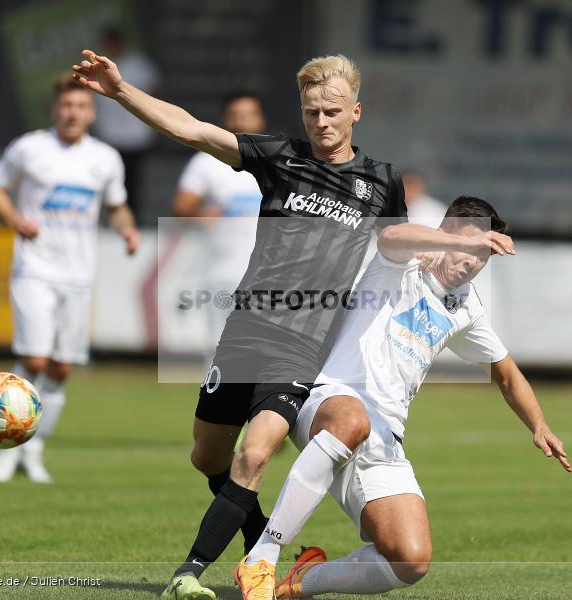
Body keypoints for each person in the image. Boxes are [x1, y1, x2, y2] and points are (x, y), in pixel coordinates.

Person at [72, 52, 407, 600]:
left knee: (255, 455)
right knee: (208, 456)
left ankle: (189, 575)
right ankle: (261, 553)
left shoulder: (383, 184)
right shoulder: (280, 156)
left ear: (356, 112)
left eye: (332, 111)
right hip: (246, 333)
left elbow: (397, 254)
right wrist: (119, 91)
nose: (321, 122)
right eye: (311, 112)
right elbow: (192, 129)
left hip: (303, 345)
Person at [237, 197, 572, 599]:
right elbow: (392, 235)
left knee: (410, 561)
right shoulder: (403, 263)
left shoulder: (465, 308)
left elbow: (507, 374)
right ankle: (262, 557)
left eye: (483, 256)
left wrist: (539, 425)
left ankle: (300, 584)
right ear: (444, 234)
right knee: (351, 420)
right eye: (467, 248)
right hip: (330, 401)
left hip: (384, 440)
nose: (471, 262)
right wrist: (452, 242)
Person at [0, 74, 141, 483]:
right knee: (34, 359)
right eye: (67, 105)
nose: (74, 113)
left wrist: (126, 228)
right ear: (56, 109)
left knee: (60, 369)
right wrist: (16, 220)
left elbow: (117, 205)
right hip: (34, 268)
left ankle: (32, 449)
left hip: (78, 274)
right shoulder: (30, 148)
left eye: (82, 106)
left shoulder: (105, 158)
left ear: (92, 112)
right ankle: (8, 446)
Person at [172, 92, 266, 349]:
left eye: (249, 115)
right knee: (220, 347)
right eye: (236, 115)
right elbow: (181, 207)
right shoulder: (207, 162)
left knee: (261, 349)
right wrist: (200, 215)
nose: (242, 122)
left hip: (269, 274)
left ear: (261, 119)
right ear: (226, 119)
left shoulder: (276, 163)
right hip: (222, 271)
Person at [93, 26, 162, 216]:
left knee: (131, 180)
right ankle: (110, 218)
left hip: (135, 134)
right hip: (109, 134)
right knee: (107, 178)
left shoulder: (138, 64)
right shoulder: (98, 66)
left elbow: (155, 94)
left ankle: (132, 218)